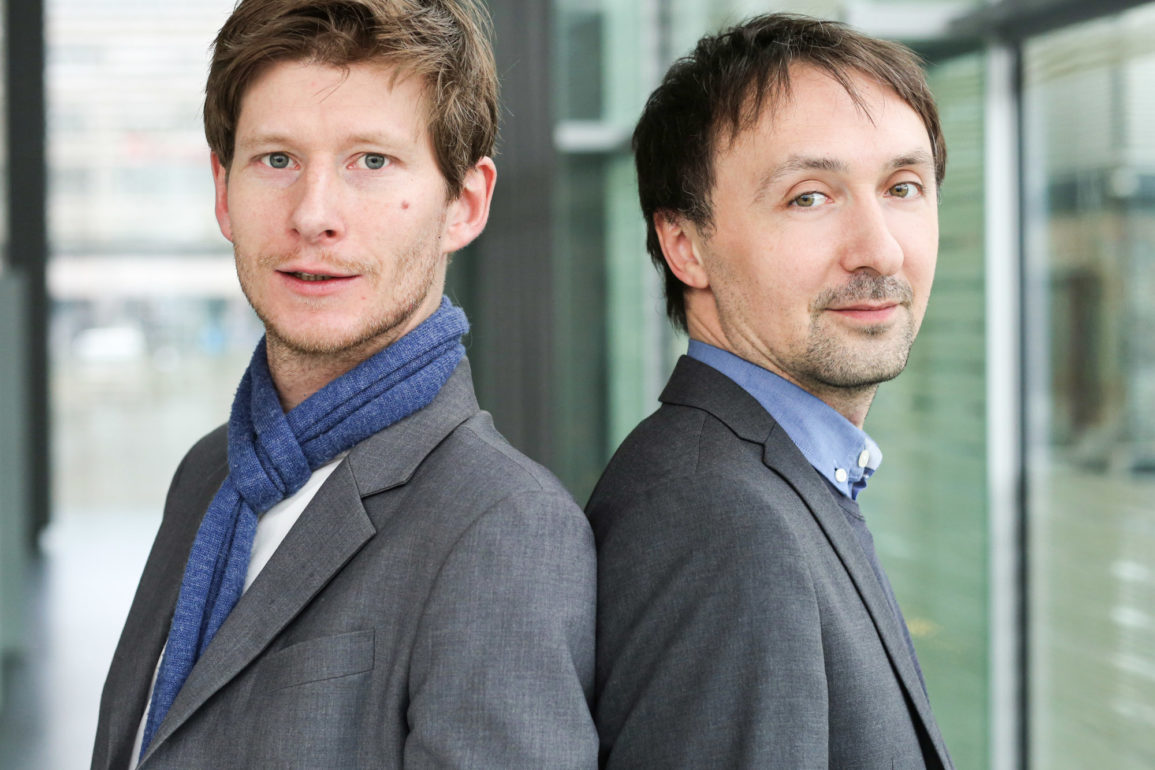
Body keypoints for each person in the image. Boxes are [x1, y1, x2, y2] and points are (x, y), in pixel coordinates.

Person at [91, 1, 598, 768]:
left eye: (371, 161)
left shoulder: (505, 528)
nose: (313, 214)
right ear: (223, 193)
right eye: (277, 160)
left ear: (464, 204)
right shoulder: (208, 474)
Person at [587, 13, 954, 769]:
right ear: (685, 244)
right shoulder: (718, 524)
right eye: (809, 197)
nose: (880, 249)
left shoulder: (775, 482)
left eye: (903, 187)